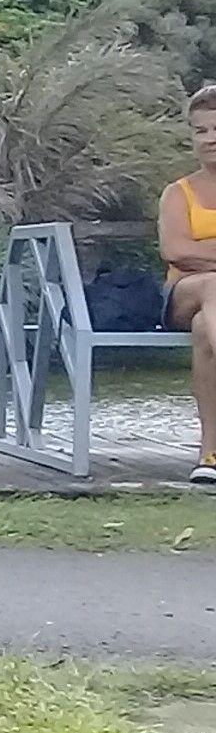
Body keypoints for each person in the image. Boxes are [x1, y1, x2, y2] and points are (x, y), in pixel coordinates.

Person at [157, 82, 216, 485]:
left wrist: (205, 245)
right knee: (214, 286)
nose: (209, 140)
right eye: (201, 131)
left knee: (205, 330)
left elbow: (194, 247)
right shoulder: (178, 193)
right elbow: (176, 250)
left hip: (207, 316)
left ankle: (210, 454)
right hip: (185, 293)